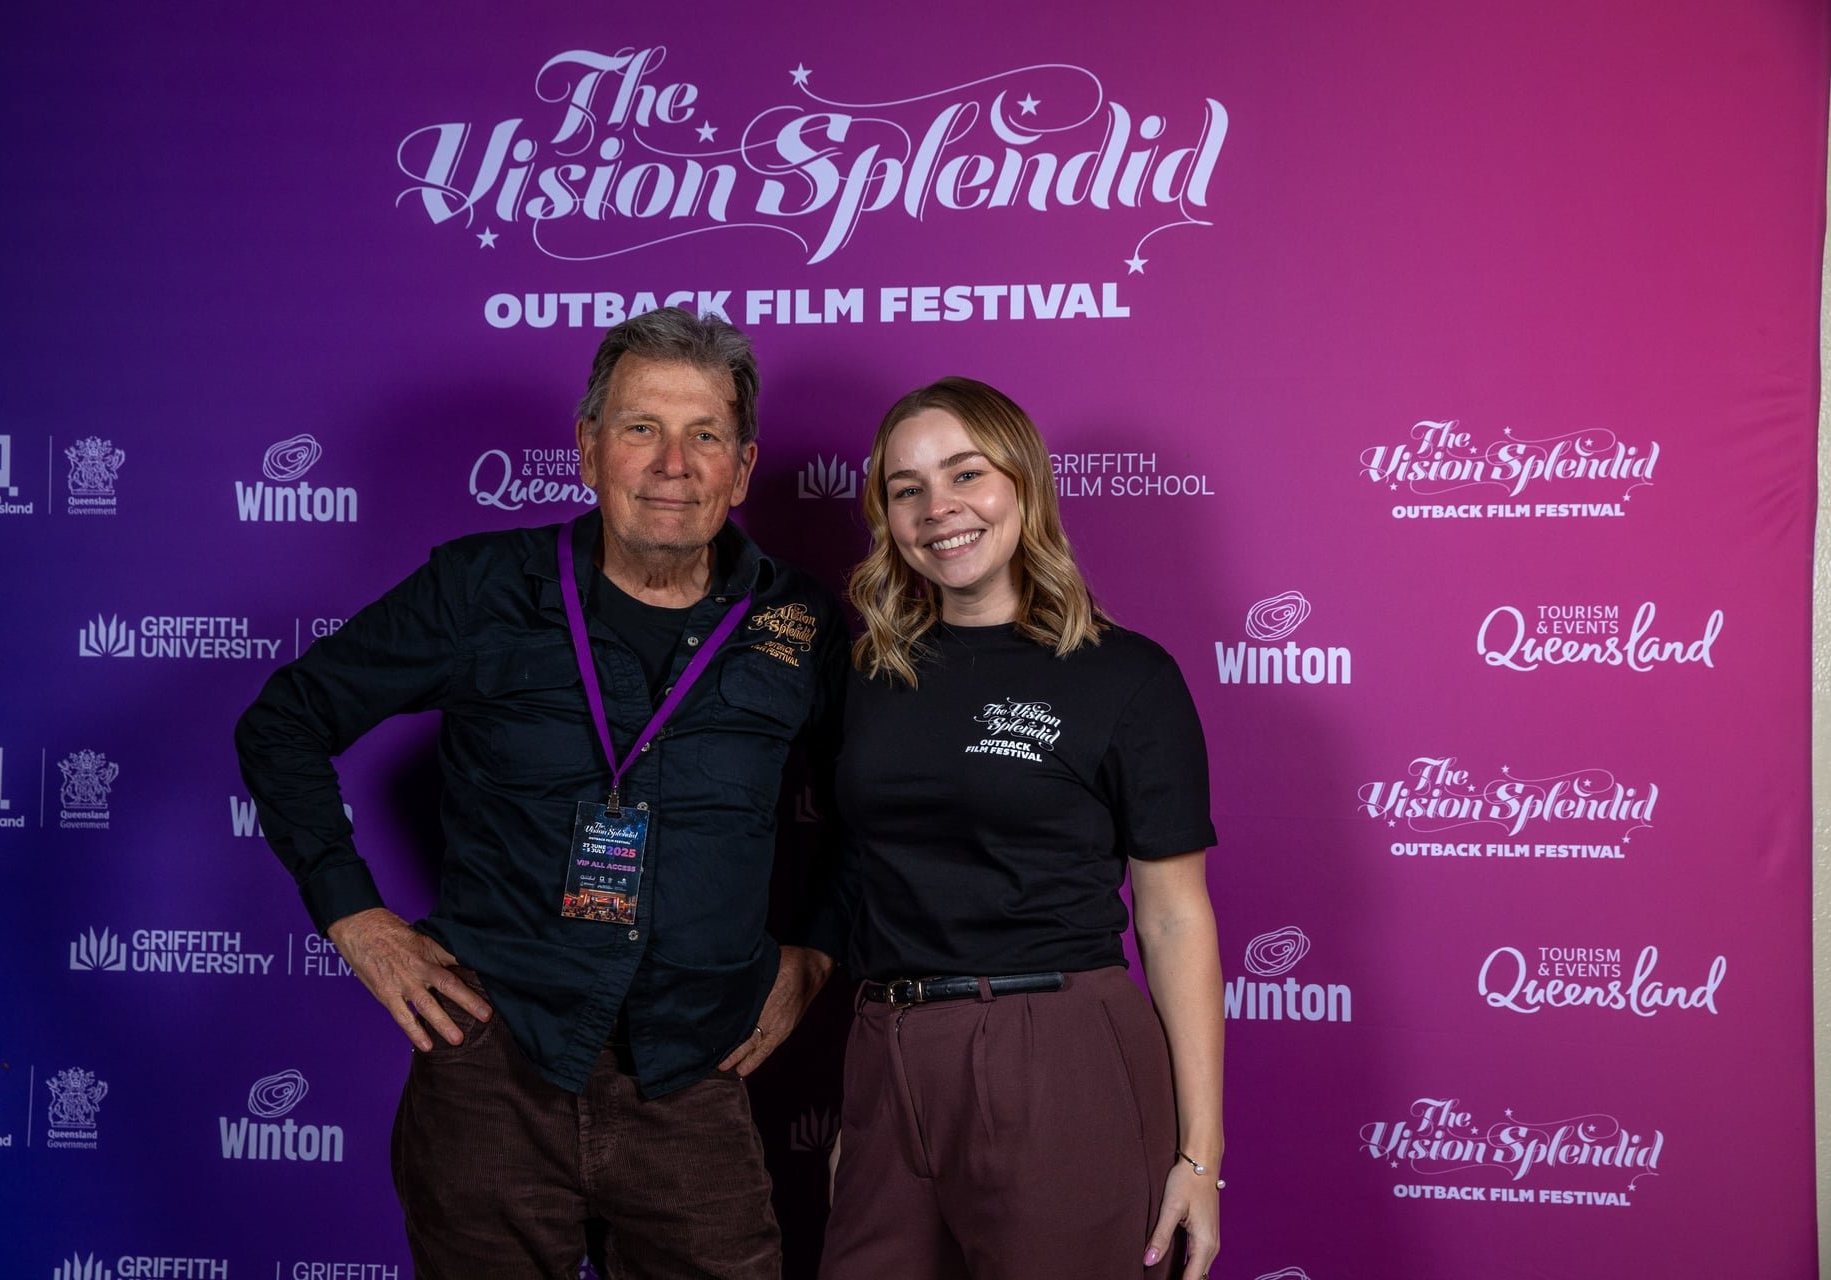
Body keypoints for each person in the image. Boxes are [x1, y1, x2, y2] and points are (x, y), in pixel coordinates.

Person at [235, 308, 843, 1279]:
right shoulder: (483, 587)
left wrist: (817, 945)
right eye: (642, 427)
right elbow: (283, 721)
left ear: (742, 465)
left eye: (705, 435)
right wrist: (353, 912)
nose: (672, 462)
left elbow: (878, 797)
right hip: (492, 1070)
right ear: (588, 449)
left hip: (692, 1076)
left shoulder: (802, 620)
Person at [818, 377, 1223, 1280]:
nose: (939, 509)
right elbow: (861, 877)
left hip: (1056, 1046)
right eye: (906, 487)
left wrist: (1202, 1156)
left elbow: (1173, 919)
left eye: (967, 473)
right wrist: (873, 1112)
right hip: (888, 1046)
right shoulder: (867, 675)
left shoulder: (1124, 676)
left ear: (1024, 485)